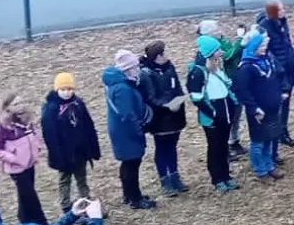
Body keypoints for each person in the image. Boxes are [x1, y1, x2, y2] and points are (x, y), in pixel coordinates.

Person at [101, 51, 156, 210]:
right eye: (135, 67)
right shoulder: (123, 88)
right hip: (126, 131)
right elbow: (128, 114)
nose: (138, 69)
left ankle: (129, 194)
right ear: (128, 69)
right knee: (132, 164)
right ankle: (135, 198)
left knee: (129, 163)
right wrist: (139, 129)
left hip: (122, 130)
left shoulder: (120, 84)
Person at [186, 36, 240, 192]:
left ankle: (226, 175)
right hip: (213, 116)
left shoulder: (217, 66)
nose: (220, 51)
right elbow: (197, 98)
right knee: (215, 146)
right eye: (217, 50)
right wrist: (214, 114)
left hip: (225, 111)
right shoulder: (198, 72)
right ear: (209, 53)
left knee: (223, 146)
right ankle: (217, 178)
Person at [40, 73, 100, 212]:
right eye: (63, 89)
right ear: (57, 90)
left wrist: (92, 147)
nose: (67, 92)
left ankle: (86, 204)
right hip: (64, 153)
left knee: (82, 179)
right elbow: (50, 134)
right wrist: (57, 155)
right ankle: (66, 206)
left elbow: (88, 125)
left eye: (69, 89)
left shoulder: (78, 103)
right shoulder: (51, 108)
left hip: (79, 151)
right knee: (65, 180)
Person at [136, 42, 189, 196]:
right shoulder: (146, 73)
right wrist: (166, 106)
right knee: (162, 149)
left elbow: (177, 87)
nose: (166, 56)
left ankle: (174, 176)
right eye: (163, 54)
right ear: (157, 56)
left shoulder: (169, 67)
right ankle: (165, 180)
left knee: (172, 147)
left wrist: (180, 99)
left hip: (175, 115)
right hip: (161, 119)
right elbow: (150, 97)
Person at [0, 94, 47, 225]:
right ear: (7, 107)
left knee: (25, 194)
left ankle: (24, 218)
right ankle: (42, 223)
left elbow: (33, 135)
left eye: (21, 103)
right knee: (30, 195)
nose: (20, 106)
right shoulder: (1, 126)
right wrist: (14, 158)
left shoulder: (25, 120)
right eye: (15, 104)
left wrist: (36, 148)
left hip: (29, 164)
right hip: (17, 168)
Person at [234, 31, 284, 182]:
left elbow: (274, 80)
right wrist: (254, 108)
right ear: (253, 46)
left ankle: (269, 166)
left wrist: (279, 93)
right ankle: (260, 170)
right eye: (261, 46)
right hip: (258, 111)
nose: (264, 48)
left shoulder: (266, 60)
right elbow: (242, 90)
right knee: (258, 142)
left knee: (269, 138)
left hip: (271, 108)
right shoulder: (246, 67)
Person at [254, 0, 294, 150]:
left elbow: (286, 44)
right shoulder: (266, 26)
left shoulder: (282, 23)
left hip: (288, 70)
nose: (283, 11)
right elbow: (269, 52)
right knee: (277, 106)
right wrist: (279, 69)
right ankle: (274, 139)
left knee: (286, 104)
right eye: (280, 9)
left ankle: (283, 132)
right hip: (277, 74)